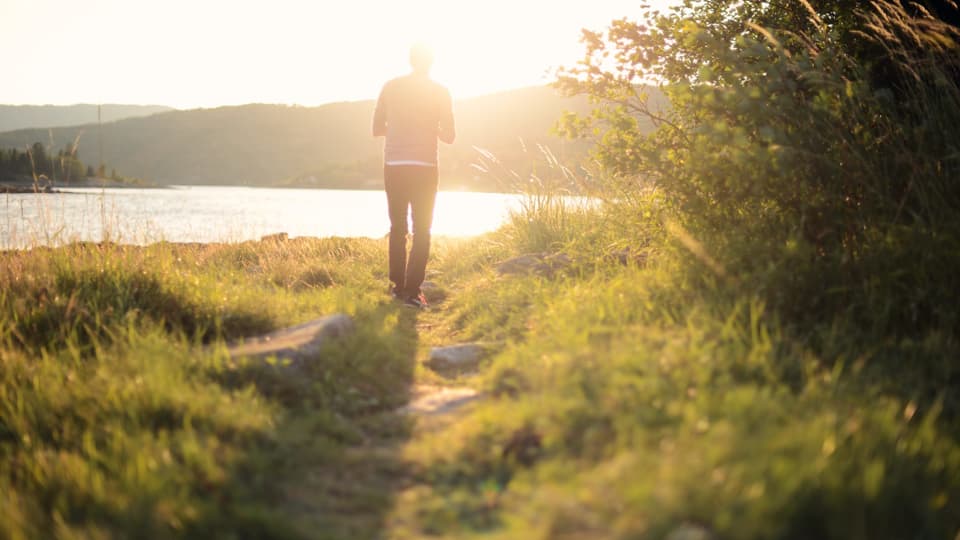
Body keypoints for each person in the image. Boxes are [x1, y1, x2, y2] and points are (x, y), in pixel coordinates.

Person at [372, 42, 455, 308]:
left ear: (410, 60)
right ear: (431, 62)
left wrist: (400, 128)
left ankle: (398, 288)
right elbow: (450, 136)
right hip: (425, 166)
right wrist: (429, 128)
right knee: (422, 230)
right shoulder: (441, 91)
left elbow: (376, 128)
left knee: (397, 228)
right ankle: (412, 291)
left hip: (394, 164)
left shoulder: (390, 86)